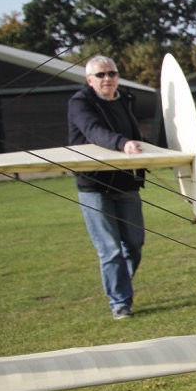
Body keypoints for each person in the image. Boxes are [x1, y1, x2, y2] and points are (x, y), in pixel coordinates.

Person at [67, 55, 146, 319]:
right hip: (94, 185)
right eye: (101, 75)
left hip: (125, 182)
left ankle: (120, 284)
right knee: (110, 248)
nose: (108, 79)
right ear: (89, 80)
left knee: (134, 244)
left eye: (112, 73)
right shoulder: (79, 103)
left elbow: (137, 133)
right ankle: (120, 304)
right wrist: (123, 144)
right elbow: (94, 131)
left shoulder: (125, 100)